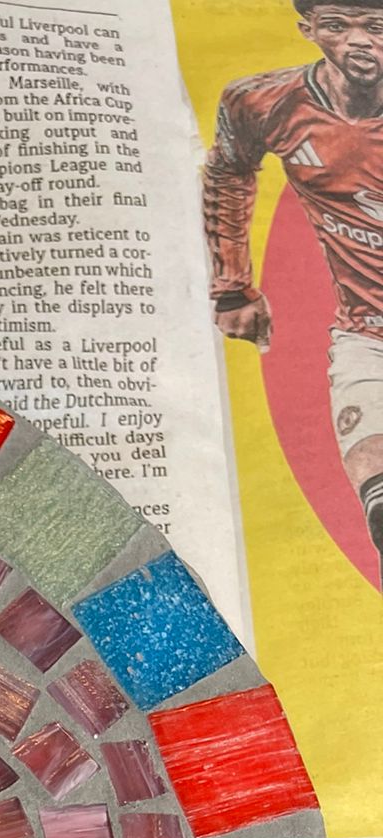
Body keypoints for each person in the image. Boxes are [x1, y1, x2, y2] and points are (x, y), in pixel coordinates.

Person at [204, 0, 383, 575]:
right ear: (309, 30)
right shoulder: (262, 102)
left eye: (375, 26)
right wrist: (233, 287)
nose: (358, 41)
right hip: (368, 336)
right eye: (337, 25)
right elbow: (228, 170)